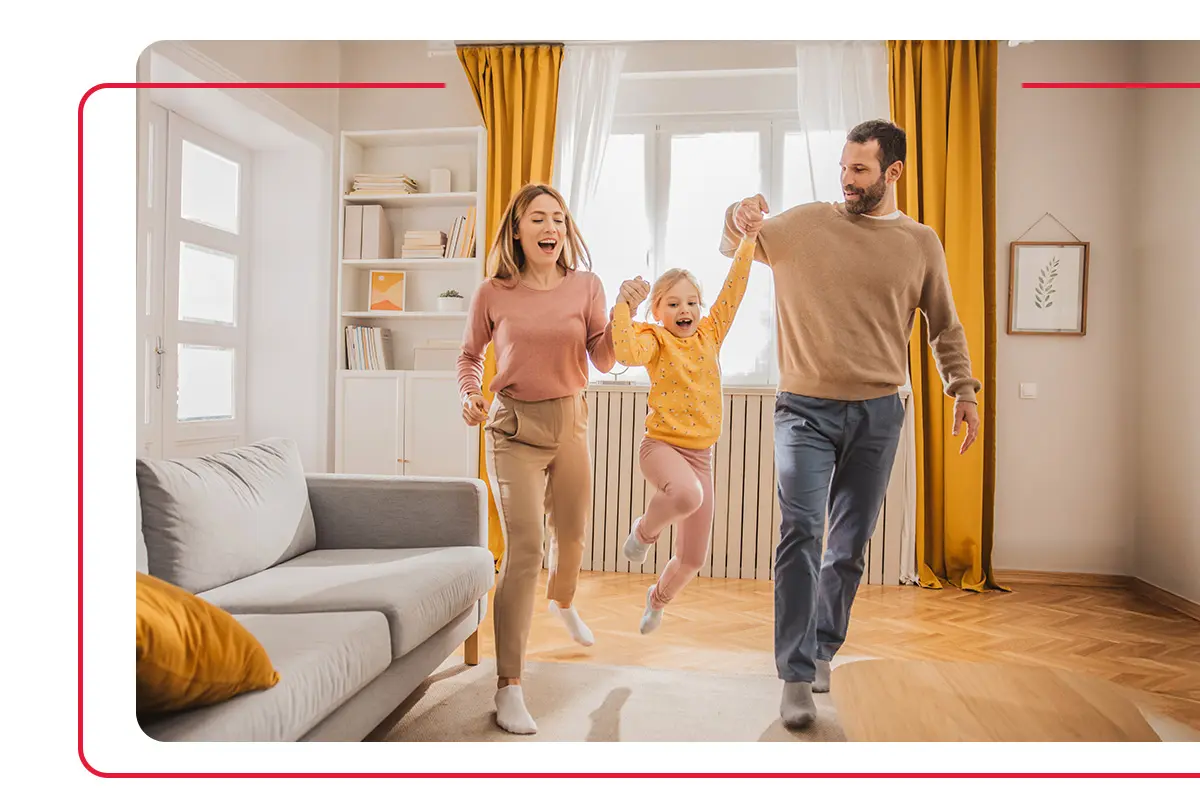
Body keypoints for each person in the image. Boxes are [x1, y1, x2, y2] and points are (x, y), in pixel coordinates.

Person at [719, 119, 982, 729]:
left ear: (893, 172)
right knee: (801, 530)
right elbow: (736, 242)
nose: (847, 181)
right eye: (843, 168)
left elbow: (945, 325)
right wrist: (735, 215)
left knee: (848, 546)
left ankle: (821, 650)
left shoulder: (920, 243)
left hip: (880, 411)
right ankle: (793, 673)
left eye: (860, 170)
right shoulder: (807, 223)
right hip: (802, 409)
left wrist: (961, 390)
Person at [457, 182, 617, 735]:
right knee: (526, 550)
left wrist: (621, 315)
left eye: (559, 218)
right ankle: (509, 686)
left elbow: (602, 354)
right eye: (538, 219)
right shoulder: (493, 292)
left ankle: (564, 599)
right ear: (518, 231)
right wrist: (469, 394)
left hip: (571, 423)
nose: (551, 227)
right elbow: (469, 356)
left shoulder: (587, 286)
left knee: (571, 535)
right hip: (514, 431)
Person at [611, 230, 760, 635]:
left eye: (692, 302)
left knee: (693, 557)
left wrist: (748, 241)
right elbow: (624, 352)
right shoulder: (653, 339)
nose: (685, 310)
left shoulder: (710, 334)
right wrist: (623, 307)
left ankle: (658, 599)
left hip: (701, 456)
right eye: (673, 303)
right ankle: (644, 532)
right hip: (659, 447)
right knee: (686, 495)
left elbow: (734, 289)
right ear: (657, 310)